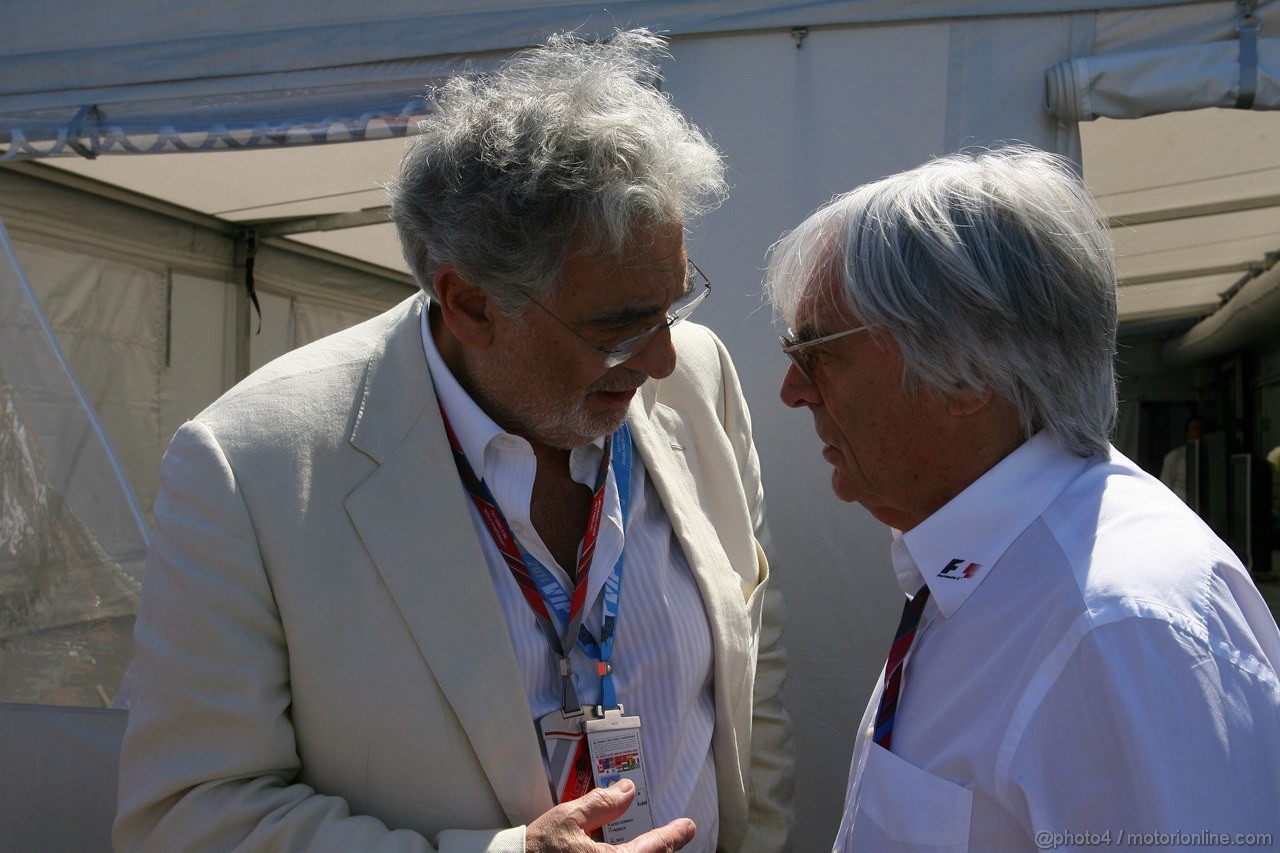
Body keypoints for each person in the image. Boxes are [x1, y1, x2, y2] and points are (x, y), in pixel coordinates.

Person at [114, 30, 793, 853]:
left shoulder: (699, 376)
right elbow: (187, 816)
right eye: (619, 327)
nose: (657, 358)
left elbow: (754, 685)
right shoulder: (251, 467)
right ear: (469, 303)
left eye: (674, 303)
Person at [764, 147, 1280, 850]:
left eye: (816, 351)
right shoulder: (1003, 569)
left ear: (966, 373)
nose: (793, 390)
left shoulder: (1115, 627)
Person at [1158, 414, 1204, 501]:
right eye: (1195, 429)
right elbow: (1165, 486)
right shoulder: (1175, 456)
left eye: (1201, 429)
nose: (1198, 432)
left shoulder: (1211, 458)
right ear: (1188, 432)